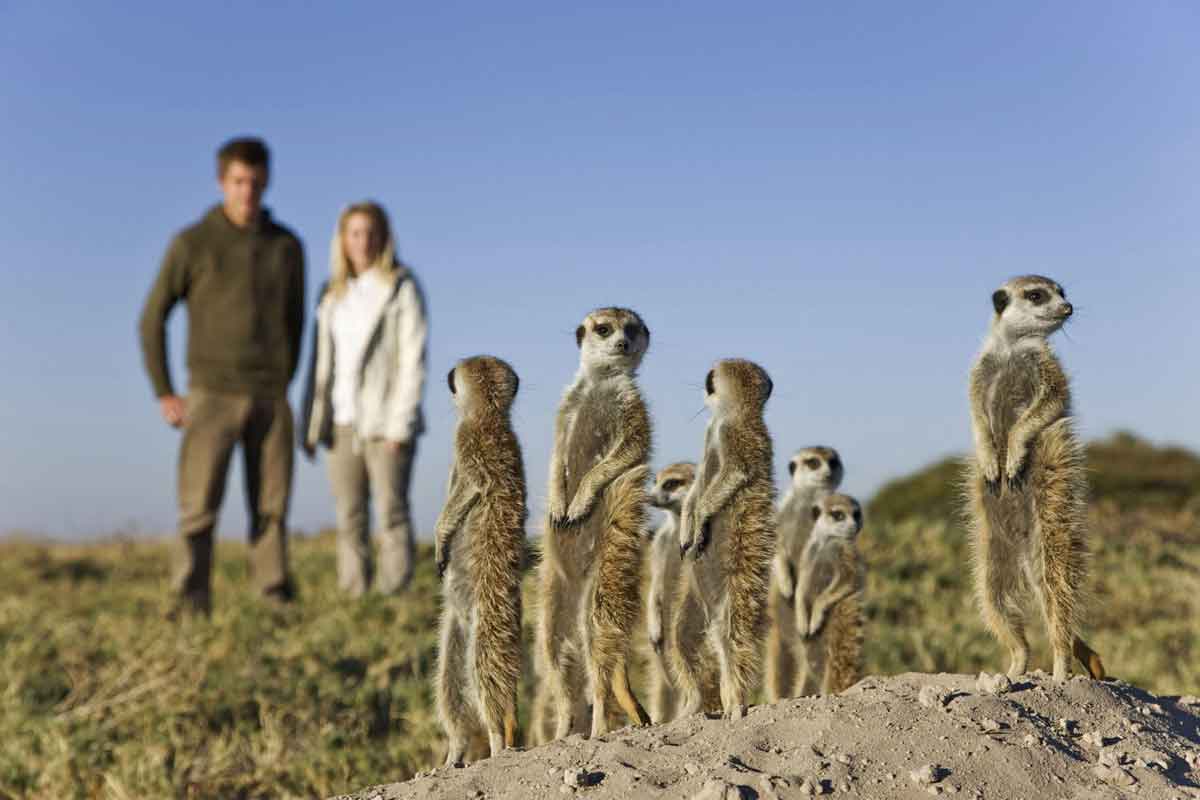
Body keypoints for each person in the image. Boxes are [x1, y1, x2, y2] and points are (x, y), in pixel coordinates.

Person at [139, 137, 306, 617]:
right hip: (210, 394)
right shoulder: (192, 242)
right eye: (238, 182)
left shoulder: (287, 246)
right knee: (198, 507)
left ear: (267, 181)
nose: (247, 191)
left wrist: (283, 378)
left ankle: (274, 599)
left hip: (271, 396)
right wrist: (165, 390)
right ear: (221, 183)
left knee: (271, 508)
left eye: (255, 182)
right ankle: (189, 603)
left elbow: (297, 321)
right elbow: (151, 318)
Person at [300, 201, 428, 596]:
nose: (363, 241)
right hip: (342, 421)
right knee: (349, 515)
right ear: (342, 239)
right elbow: (322, 364)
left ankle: (394, 596)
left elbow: (413, 359)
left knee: (391, 511)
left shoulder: (400, 287)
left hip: (386, 422)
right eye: (354, 233)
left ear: (384, 237)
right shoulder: (331, 294)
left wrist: (399, 424)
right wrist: (313, 421)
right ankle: (355, 595)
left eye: (370, 232)